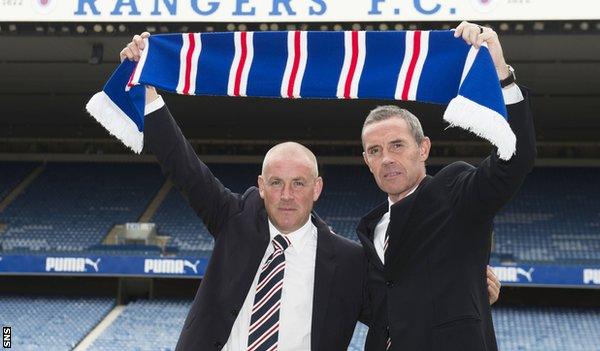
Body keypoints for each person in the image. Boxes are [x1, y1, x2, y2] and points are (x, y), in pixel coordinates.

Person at [120, 27, 502, 351]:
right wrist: (147, 88)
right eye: (276, 183)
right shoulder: (234, 220)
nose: (287, 195)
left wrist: (463, 281)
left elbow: (398, 304)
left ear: (317, 188)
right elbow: (184, 168)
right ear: (261, 186)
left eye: (298, 183)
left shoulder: (348, 260)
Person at [357, 21, 536, 350]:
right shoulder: (369, 228)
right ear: (367, 160)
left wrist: (500, 72)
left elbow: (516, 157)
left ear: (423, 148)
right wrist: (464, 290)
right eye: (375, 151)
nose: (386, 159)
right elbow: (381, 306)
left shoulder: (455, 191)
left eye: (397, 145)